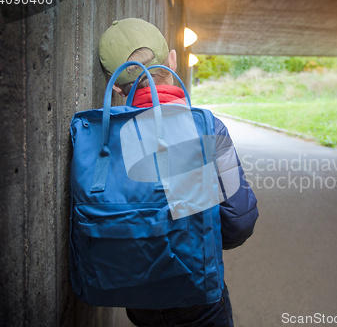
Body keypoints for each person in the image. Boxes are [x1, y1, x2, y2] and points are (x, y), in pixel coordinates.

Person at [99, 18, 259, 327]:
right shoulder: (202, 128)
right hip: (195, 291)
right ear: (172, 59)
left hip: (133, 292)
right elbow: (239, 222)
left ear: (117, 88)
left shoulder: (104, 135)